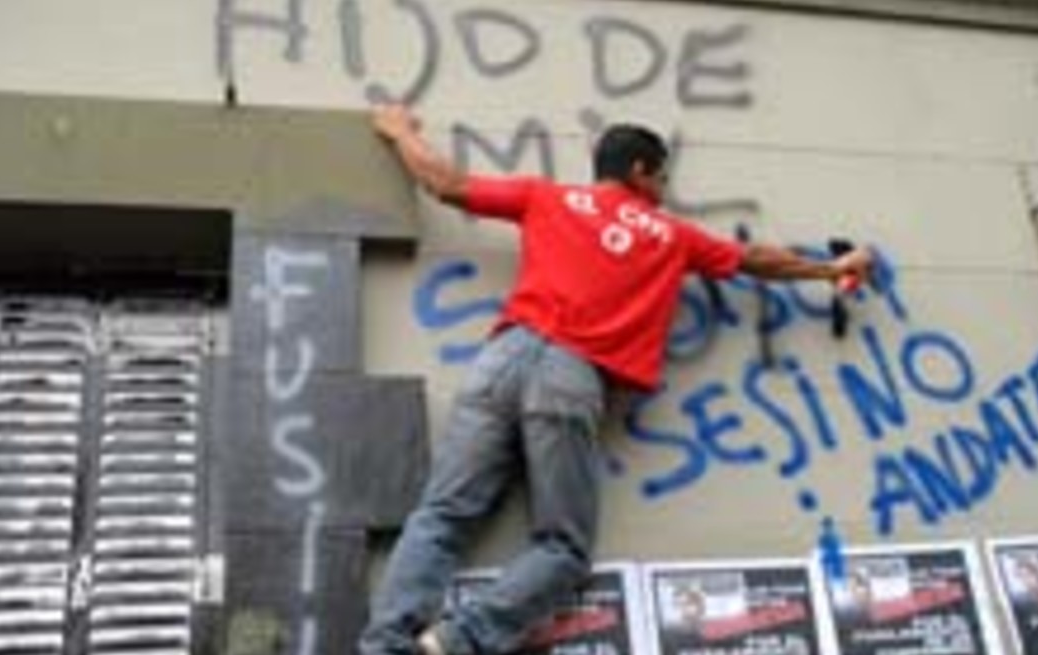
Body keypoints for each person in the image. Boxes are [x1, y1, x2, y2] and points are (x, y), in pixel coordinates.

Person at [358, 104, 874, 655]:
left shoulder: (546, 197)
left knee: (442, 515)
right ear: (640, 171)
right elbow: (754, 260)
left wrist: (399, 132)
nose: (664, 189)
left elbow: (447, 185)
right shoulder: (671, 235)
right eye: (662, 177)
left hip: (501, 358)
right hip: (568, 375)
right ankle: (452, 642)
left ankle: (385, 645)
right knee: (563, 549)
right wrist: (830, 269)